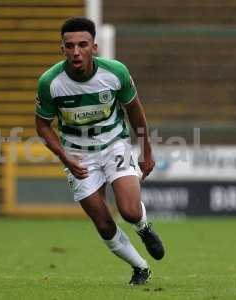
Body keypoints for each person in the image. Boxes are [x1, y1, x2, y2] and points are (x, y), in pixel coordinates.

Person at [35, 16, 164, 285]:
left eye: (82, 45)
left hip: (113, 143)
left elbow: (136, 113)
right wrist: (66, 158)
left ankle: (143, 227)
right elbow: (43, 126)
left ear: (94, 47)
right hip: (77, 154)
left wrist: (147, 151)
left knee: (129, 210)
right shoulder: (50, 82)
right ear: (62, 50)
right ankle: (141, 268)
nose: (75, 52)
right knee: (104, 223)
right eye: (69, 46)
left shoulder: (115, 73)